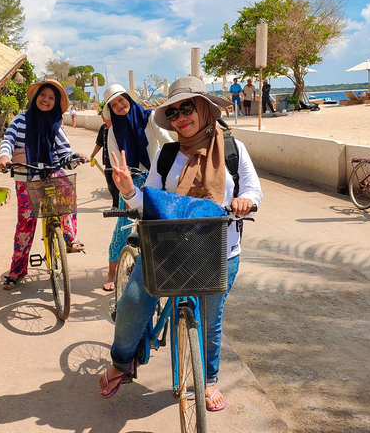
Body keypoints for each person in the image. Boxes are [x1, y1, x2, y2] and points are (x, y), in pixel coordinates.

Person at [98, 76, 263, 411]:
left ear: (204, 107)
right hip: (167, 250)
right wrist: (129, 190)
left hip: (218, 250)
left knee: (210, 319)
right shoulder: (167, 154)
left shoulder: (233, 148)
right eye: (172, 113)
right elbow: (150, 203)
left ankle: (209, 379)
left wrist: (246, 200)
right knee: (133, 300)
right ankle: (121, 361)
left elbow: (252, 189)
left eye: (187, 107)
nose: (180, 117)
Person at [0, 79, 88, 290]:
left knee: (66, 189)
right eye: (43, 95)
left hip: (51, 173)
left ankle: (69, 237)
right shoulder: (20, 120)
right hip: (26, 176)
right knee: (25, 226)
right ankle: (17, 271)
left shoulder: (56, 124)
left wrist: (75, 157)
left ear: (55, 103)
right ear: (36, 97)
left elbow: (64, 152)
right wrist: (3, 157)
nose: (46, 100)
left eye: (51, 98)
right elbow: (8, 140)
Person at [101, 83, 173, 292]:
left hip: (156, 178)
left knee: (160, 222)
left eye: (121, 100)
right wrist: (123, 176)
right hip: (130, 180)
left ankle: (161, 267)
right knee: (123, 224)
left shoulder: (150, 118)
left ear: (129, 100)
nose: (119, 106)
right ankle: (112, 271)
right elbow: (115, 159)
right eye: (113, 105)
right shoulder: (113, 130)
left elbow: (166, 142)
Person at [90, 112, 119, 210]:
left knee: (116, 183)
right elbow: (99, 144)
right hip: (107, 160)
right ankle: (116, 203)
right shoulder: (103, 128)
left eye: (104, 114)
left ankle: (116, 205)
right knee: (109, 182)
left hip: (116, 161)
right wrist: (93, 155)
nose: (102, 116)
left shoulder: (117, 127)